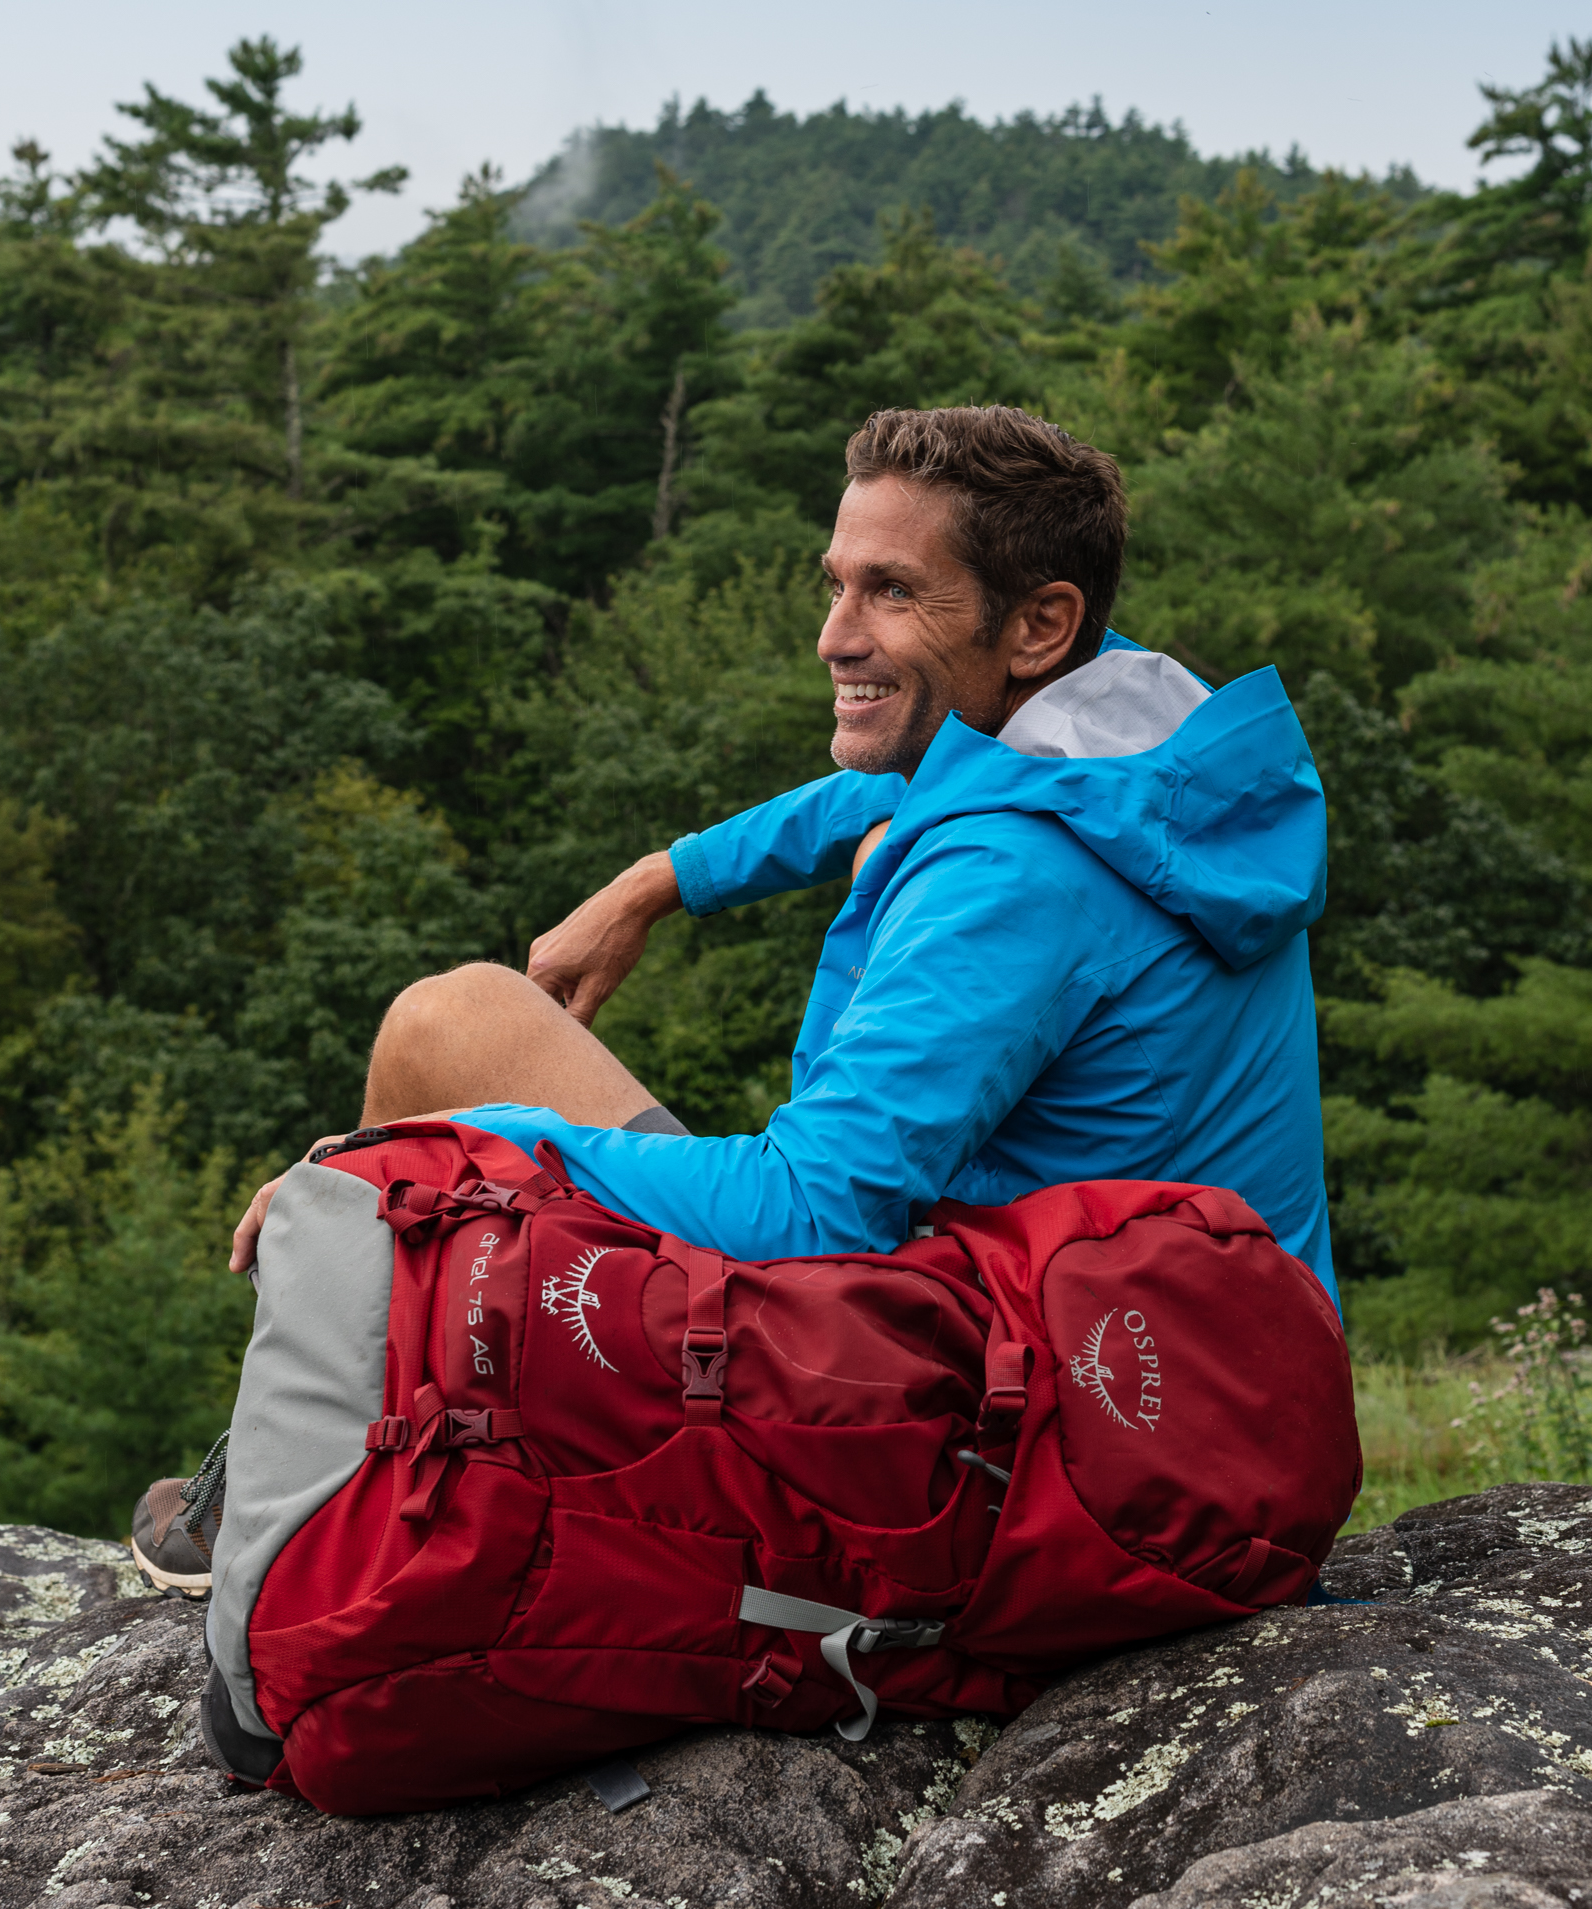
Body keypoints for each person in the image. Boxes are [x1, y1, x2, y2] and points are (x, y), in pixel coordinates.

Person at [230, 401, 1333, 1294]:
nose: (833, 635)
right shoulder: (1139, 756)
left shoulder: (1013, 877)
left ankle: (311, 1479)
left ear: (1037, 624)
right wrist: (660, 881)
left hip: (1045, 1440)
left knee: (446, 1046)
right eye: (837, 581)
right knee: (463, 1023)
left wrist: (435, 1166)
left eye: (891, 591)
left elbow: (812, 1210)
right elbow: (880, 791)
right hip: (1197, 1380)